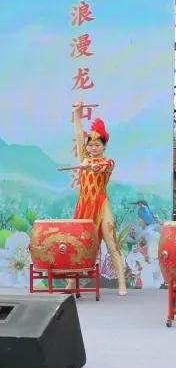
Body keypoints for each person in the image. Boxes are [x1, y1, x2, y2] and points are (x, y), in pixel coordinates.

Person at [71, 105, 126, 295]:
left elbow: (103, 168)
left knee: (111, 242)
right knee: (79, 244)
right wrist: (76, 114)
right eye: (90, 145)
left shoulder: (108, 162)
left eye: (97, 145)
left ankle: (121, 283)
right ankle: (71, 284)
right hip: (84, 206)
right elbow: (79, 134)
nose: (93, 148)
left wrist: (92, 168)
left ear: (104, 146)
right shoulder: (84, 158)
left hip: (101, 205)